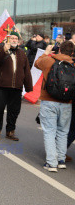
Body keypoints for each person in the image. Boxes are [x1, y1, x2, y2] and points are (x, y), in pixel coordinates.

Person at [34, 41, 74, 172]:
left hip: (49, 101)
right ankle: (61, 160)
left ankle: (51, 163)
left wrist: (46, 52)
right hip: (67, 103)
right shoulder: (73, 64)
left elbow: (36, 63)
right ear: (72, 53)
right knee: (63, 132)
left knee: (50, 131)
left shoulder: (49, 61)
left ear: (59, 50)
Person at [0, 31, 33, 141]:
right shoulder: (1, 50)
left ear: (18, 41)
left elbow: (27, 71)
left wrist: (29, 87)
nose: (14, 40)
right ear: (8, 39)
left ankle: (10, 131)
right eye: (12, 38)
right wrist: (4, 50)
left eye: (16, 38)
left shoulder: (22, 54)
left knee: (14, 111)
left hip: (16, 88)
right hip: (2, 86)